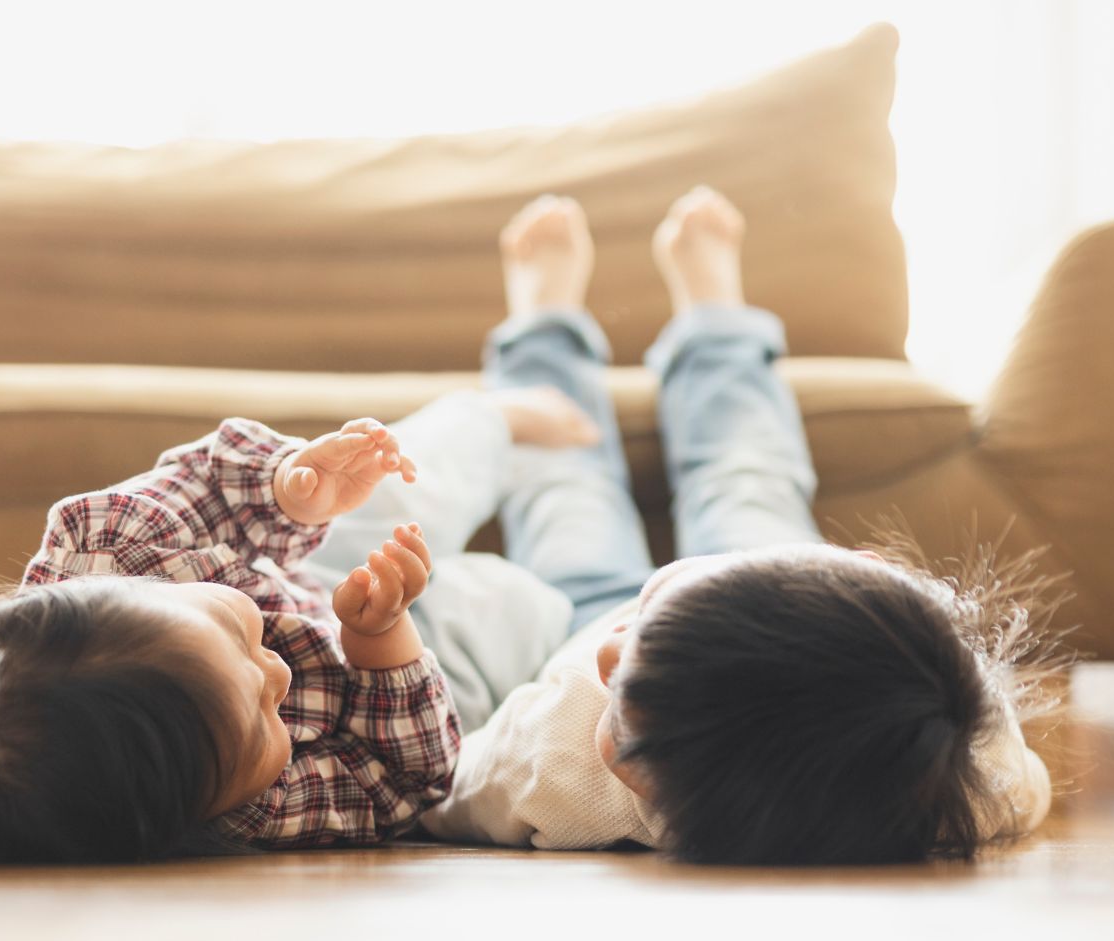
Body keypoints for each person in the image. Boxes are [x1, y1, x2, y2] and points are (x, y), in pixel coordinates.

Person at [421, 187, 1058, 864]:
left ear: (651, 792)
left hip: (569, 619)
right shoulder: (983, 775)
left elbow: (436, 790)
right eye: (650, 608)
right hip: (754, 585)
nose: (610, 652)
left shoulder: (551, 765)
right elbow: (1021, 788)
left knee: (564, 492)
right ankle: (716, 318)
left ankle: (542, 328)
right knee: (746, 476)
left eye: (622, 711)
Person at [0, 384, 589, 863]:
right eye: (263, 720)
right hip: (377, 679)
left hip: (290, 563)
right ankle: (563, 539)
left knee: (390, 483)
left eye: (236, 638)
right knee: (513, 609)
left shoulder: (107, 549)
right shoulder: (253, 807)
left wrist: (293, 491)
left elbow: (202, 482)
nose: (278, 672)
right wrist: (381, 641)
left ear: (135, 591)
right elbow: (405, 779)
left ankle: (490, 416)